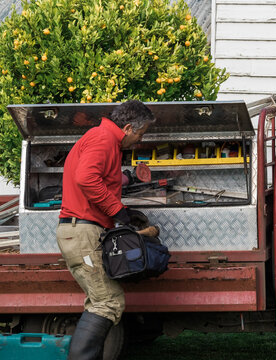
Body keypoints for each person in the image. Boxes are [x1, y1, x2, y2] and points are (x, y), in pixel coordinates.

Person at [56, 100, 155, 360]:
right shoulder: (102, 139)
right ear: (128, 127)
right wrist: (119, 212)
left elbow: (99, 177)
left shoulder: (104, 139)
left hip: (86, 231)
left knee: (100, 302)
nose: (138, 141)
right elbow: (86, 178)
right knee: (108, 302)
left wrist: (123, 202)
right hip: (83, 232)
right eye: (140, 135)